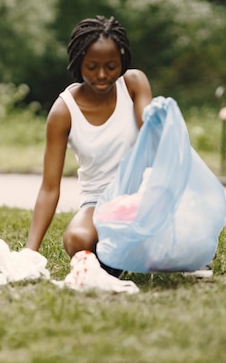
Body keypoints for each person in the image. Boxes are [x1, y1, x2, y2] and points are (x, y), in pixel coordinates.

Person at [25, 15, 153, 276]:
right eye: (92, 66)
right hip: (99, 200)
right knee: (77, 240)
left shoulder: (134, 84)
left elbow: (152, 129)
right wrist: (30, 253)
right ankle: (116, 256)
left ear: (123, 62)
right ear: (78, 62)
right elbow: (50, 188)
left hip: (145, 193)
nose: (103, 75)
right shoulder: (64, 111)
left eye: (111, 66)